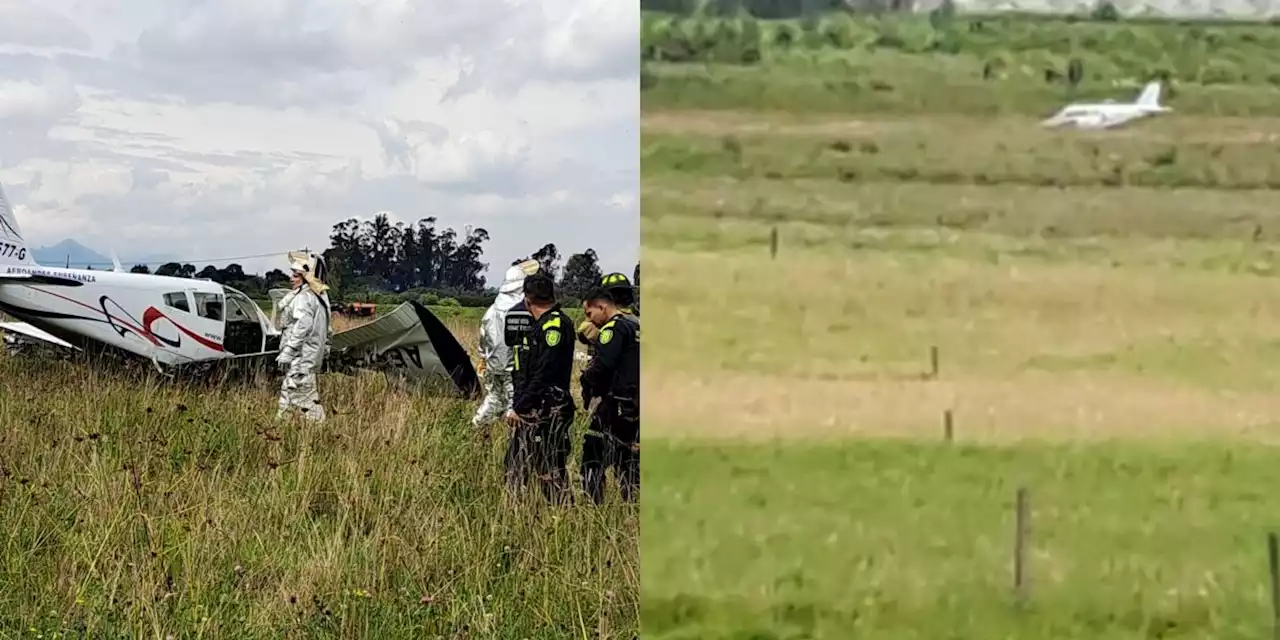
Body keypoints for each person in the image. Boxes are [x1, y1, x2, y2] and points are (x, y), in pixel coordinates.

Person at [504, 271, 576, 504]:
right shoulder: (550, 323)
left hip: (546, 409)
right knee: (519, 463)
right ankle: (518, 513)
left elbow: (542, 373)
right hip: (541, 407)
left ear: (527, 299)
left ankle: (561, 513)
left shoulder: (552, 327)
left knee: (548, 469)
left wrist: (520, 407)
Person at [578, 284, 641, 504]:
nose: (590, 320)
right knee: (628, 457)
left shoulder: (612, 330)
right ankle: (632, 502)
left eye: (590, 313)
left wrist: (586, 380)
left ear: (602, 307)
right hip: (634, 404)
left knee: (592, 454)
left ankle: (592, 504)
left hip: (614, 403)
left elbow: (603, 366)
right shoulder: (635, 327)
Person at [473, 259, 539, 431]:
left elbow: (483, 337)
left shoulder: (492, 310)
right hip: (514, 367)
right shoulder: (521, 309)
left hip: (493, 365)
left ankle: (478, 427)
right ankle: (515, 439)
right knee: (515, 403)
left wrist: (483, 358)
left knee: (494, 398)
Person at [275, 252, 331, 422]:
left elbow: (302, 326)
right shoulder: (320, 296)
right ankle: (282, 427)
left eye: (296, 275)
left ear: (307, 277)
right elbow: (328, 330)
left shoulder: (304, 298)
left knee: (303, 395)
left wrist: (288, 351)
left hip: (301, 358)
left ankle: (318, 429)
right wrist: (326, 348)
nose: (291, 279)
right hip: (306, 357)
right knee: (290, 393)